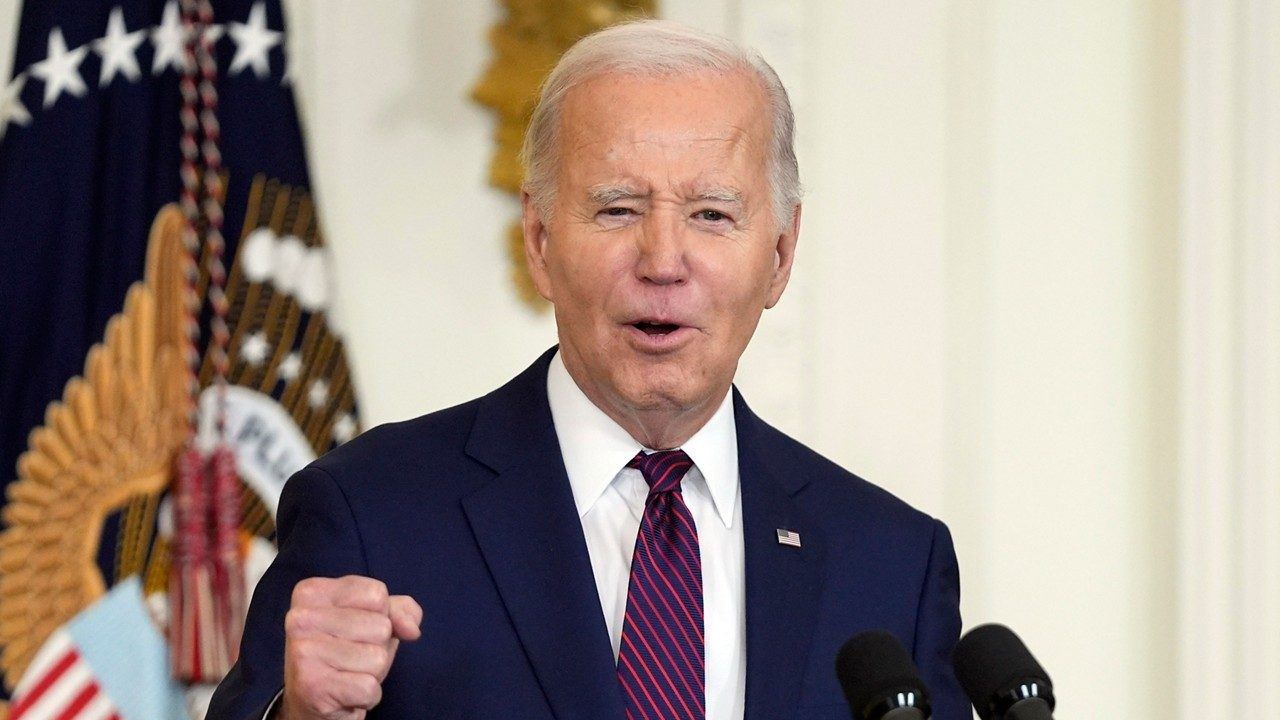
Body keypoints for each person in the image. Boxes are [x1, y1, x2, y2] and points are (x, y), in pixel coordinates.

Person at [208, 19, 967, 720]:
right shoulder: (371, 515)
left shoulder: (892, 564)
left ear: (779, 256)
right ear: (539, 239)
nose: (664, 261)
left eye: (711, 213)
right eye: (616, 209)